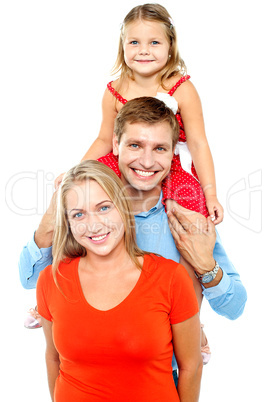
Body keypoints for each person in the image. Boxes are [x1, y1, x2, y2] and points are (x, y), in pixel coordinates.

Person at [19, 97, 247, 371]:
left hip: (161, 377)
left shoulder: (187, 219)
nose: (147, 161)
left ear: (173, 151)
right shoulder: (89, 212)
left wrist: (207, 267)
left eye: (160, 148)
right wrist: (52, 217)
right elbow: (30, 278)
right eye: (135, 145)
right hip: (87, 375)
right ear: (116, 144)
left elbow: (234, 308)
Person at [36, 159, 202, 401]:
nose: (93, 225)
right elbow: (53, 358)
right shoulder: (51, 280)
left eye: (104, 208)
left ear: (122, 207)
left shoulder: (171, 278)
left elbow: (191, 366)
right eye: (79, 214)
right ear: (68, 223)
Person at [55, 3, 223, 223]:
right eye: (134, 42)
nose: (144, 50)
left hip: (169, 165)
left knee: (191, 202)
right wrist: (76, 172)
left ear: (170, 46)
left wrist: (211, 194)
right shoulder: (114, 91)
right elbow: (105, 139)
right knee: (90, 186)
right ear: (122, 46)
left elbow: (198, 143)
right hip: (128, 160)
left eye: (154, 42)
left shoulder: (182, 88)